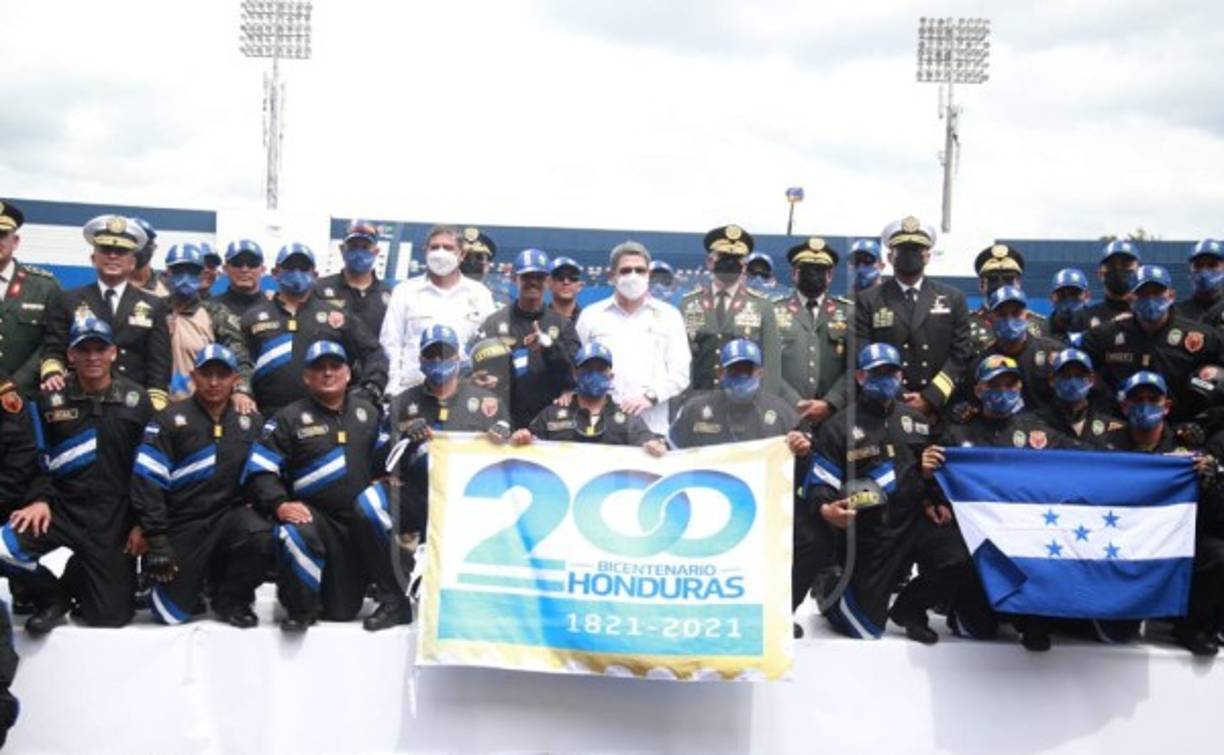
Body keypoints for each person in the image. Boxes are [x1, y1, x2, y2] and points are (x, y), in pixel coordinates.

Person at [795, 343, 982, 644]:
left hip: (915, 518)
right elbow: (821, 481)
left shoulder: (918, 421)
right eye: (876, 373)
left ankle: (910, 609)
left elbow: (930, 469)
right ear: (860, 377)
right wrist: (827, 509)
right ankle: (829, 590)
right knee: (865, 629)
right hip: (872, 529)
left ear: (901, 375)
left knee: (960, 557)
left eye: (891, 372)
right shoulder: (838, 426)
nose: (885, 378)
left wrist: (933, 499)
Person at [0, 318, 153, 633]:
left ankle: (78, 574)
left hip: (112, 518)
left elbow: (149, 468)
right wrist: (39, 500)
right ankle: (51, 595)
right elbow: (36, 460)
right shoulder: (47, 400)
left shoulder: (138, 400)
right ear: (70, 354)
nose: (92, 357)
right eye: (84, 350)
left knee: (108, 617)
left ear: (113, 353)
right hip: (58, 509)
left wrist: (143, 523)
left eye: (100, 349)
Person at [354, 325, 510, 631]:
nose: (439, 359)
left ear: (459, 356)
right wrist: (406, 441)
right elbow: (379, 461)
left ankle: (474, 603)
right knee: (367, 505)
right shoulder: (402, 403)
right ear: (421, 359)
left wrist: (505, 435)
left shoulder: (488, 403)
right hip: (417, 494)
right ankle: (393, 600)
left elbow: (508, 460)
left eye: (445, 352)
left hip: (467, 501)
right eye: (431, 353)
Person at [922, 354, 1073, 650]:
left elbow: (1088, 461)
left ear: (1019, 388)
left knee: (1037, 633)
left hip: (1025, 541)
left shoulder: (1037, 433)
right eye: (994, 385)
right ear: (978, 390)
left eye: (1009, 384)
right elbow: (935, 489)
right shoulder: (958, 433)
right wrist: (926, 474)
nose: (1003, 391)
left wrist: (1165, 463)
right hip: (976, 542)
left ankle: (1032, 620)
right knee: (976, 629)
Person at [243, 341, 387, 632]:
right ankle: (298, 609)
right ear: (306, 377)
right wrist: (279, 504)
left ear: (349, 374)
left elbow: (386, 464)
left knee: (341, 613)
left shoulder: (369, 415)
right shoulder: (287, 418)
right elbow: (260, 470)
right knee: (294, 531)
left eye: (335, 367)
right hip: (313, 519)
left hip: (355, 528)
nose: (328, 373)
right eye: (319, 368)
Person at [130, 345, 273, 627]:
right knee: (169, 615)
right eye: (207, 374)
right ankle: (172, 581)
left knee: (260, 535)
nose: (214, 382)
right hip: (182, 523)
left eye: (223, 375)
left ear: (235, 379)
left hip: (228, 518)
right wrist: (156, 538)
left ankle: (231, 598)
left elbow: (264, 475)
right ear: (193, 376)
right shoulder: (168, 420)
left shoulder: (251, 422)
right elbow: (148, 480)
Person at [1099, 372, 1220, 655]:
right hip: (1118, 539)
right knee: (1119, 634)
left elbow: (1211, 511)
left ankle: (1191, 626)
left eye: (1153, 399)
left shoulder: (1188, 448)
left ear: (1167, 406)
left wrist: (1210, 482)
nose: (1145, 405)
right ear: (1124, 406)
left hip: (1171, 539)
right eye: (1137, 399)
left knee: (1218, 556)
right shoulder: (1104, 446)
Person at [241, 242, 387, 418]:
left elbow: (375, 353)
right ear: (275, 273)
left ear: (315, 274)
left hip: (325, 419)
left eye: (303, 268)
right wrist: (242, 393)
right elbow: (239, 364)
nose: (296, 273)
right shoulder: (253, 317)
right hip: (266, 415)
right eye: (289, 267)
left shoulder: (337, 316)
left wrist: (370, 387)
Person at [41, 214, 171, 409]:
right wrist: (53, 373)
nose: (112, 256)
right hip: (80, 401)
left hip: (132, 403)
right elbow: (54, 348)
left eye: (121, 251)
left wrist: (154, 404)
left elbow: (159, 364)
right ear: (93, 258)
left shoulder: (155, 306)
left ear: (133, 262)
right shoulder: (68, 300)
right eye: (106, 249)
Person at [854, 216, 971, 423]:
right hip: (887, 407)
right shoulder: (868, 301)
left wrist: (930, 397)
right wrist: (898, 394)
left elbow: (960, 356)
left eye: (916, 250)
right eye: (903, 250)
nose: (910, 255)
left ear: (927, 256)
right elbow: (862, 353)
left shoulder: (953, 298)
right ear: (890, 257)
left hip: (939, 409)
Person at [575, 240, 690, 436]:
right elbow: (576, 367)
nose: (633, 276)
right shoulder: (591, 316)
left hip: (652, 427)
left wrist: (650, 397)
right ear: (612, 276)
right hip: (602, 428)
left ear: (648, 275)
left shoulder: (669, 316)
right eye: (626, 270)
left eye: (640, 270)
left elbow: (680, 373)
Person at [1082, 265, 1222, 422]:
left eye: (1157, 293)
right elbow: (1078, 366)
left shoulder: (1202, 337)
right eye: (1142, 294)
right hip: (1121, 429)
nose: (1150, 299)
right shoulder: (1105, 336)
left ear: (1171, 296)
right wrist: (1105, 400)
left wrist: (1206, 421)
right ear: (1130, 299)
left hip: (1182, 430)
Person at [381, 225, 496, 395]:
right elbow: (391, 344)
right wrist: (393, 389)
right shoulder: (404, 292)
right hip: (412, 391)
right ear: (425, 251)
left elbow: (488, 346)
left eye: (448, 248)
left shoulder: (480, 294)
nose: (440, 253)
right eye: (435, 247)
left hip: (463, 393)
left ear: (462, 254)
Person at [473, 248, 580, 429]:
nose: (533, 282)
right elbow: (474, 370)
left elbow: (574, 375)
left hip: (550, 421)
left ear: (547, 281)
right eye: (527, 276)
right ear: (515, 278)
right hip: (502, 418)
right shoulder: (494, 322)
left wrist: (548, 347)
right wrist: (480, 379)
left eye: (539, 277)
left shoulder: (562, 325)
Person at [680, 225, 782, 396]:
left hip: (743, 404)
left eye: (736, 258)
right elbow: (679, 361)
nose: (730, 263)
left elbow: (771, 365)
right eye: (724, 257)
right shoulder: (688, 304)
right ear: (710, 262)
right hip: (697, 404)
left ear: (744, 266)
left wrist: (765, 408)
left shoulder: (762, 306)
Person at [514, 342, 666, 454]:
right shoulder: (550, 415)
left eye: (600, 369)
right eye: (587, 369)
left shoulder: (628, 419)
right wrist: (522, 439)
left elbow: (650, 447)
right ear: (575, 374)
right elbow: (527, 449)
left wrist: (656, 447)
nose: (594, 374)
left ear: (611, 376)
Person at [162, 244, 255, 407]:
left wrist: (241, 391)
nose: (185, 277)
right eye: (178, 271)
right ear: (167, 273)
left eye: (192, 272)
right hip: (157, 404)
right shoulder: (154, 310)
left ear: (200, 275)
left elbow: (240, 358)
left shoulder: (216, 314)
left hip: (202, 408)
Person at [668, 339, 804, 450]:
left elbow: (803, 465)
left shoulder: (781, 412)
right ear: (720, 373)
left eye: (747, 370)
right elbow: (671, 450)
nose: (742, 376)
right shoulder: (696, 409)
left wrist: (801, 450)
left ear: (760, 373)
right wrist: (658, 446)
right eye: (735, 370)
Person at [773, 237, 850, 422]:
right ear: (794, 273)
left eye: (820, 270)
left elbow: (855, 368)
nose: (813, 274)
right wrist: (793, 402)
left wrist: (831, 403)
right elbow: (766, 366)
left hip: (835, 416)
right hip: (785, 414)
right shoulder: (772, 311)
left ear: (830, 275)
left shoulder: (849, 312)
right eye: (806, 269)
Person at [959, 286, 1063, 415]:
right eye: (1001, 314)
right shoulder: (980, 364)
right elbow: (973, 408)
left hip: (1046, 431)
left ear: (1028, 316)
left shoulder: (1054, 353)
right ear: (989, 319)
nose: (1009, 320)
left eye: (1016, 313)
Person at [0, 200, 61, 400]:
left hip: (23, 399)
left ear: (15, 241)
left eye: (1, 235)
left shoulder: (44, 286)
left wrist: (15, 385)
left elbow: (54, 341)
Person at [316, 220, 394, 336]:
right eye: (353, 247)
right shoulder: (319, 289)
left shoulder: (390, 295)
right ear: (342, 249)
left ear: (376, 252)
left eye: (365, 247)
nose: (359, 253)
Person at [1033, 348, 1124, 446]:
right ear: (1052, 380)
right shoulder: (1035, 424)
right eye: (1065, 375)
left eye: (1079, 376)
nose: (1073, 382)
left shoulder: (1113, 430)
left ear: (1092, 380)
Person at [966, 244, 1049, 352]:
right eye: (993, 279)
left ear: (1018, 283)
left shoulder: (1040, 326)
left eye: (1008, 279)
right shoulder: (964, 327)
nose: (1001, 285)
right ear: (982, 285)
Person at [1072, 239, 1140, 332]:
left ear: (1139, 271)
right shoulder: (1083, 319)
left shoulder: (1150, 317)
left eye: (1125, 265)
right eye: (1111, 265)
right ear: (1099, 274)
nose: (1118, 270)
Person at [459, 226, 511, 307]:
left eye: (479, 257)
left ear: (488, 265)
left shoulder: (499, 300)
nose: (472, 263)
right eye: (466, 257)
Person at [217, 239, 268, 318]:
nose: (244, 270)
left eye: (252, 263)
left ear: (263, 269)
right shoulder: (209, 309)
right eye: (237, 263)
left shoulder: (276, 308)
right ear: (225, 269)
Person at [1178, 238, 1224, 323]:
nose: (1204, 271)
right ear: (1189, 271)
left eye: (1212, 265)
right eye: (1198, 265)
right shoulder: (1177, 314)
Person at [1047, 268, 1091, 346]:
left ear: (1087, 296)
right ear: (1051, 299)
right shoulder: (1040, 333)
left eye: (1074, 294)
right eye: (1061, 294)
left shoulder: (1098, 330)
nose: (1068, 299)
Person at [129, 217, 169, 299]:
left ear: (153, 248)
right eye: (133, 243)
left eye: (143, 243)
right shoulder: (110, 284)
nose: (137, 249)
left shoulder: (166, 288)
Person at [547, 256, 584, 323]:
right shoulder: (538, 319)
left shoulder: (588, 319)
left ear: (580, 286)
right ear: (549, 283)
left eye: (572, 278)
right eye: (560, 277)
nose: (566, 282)